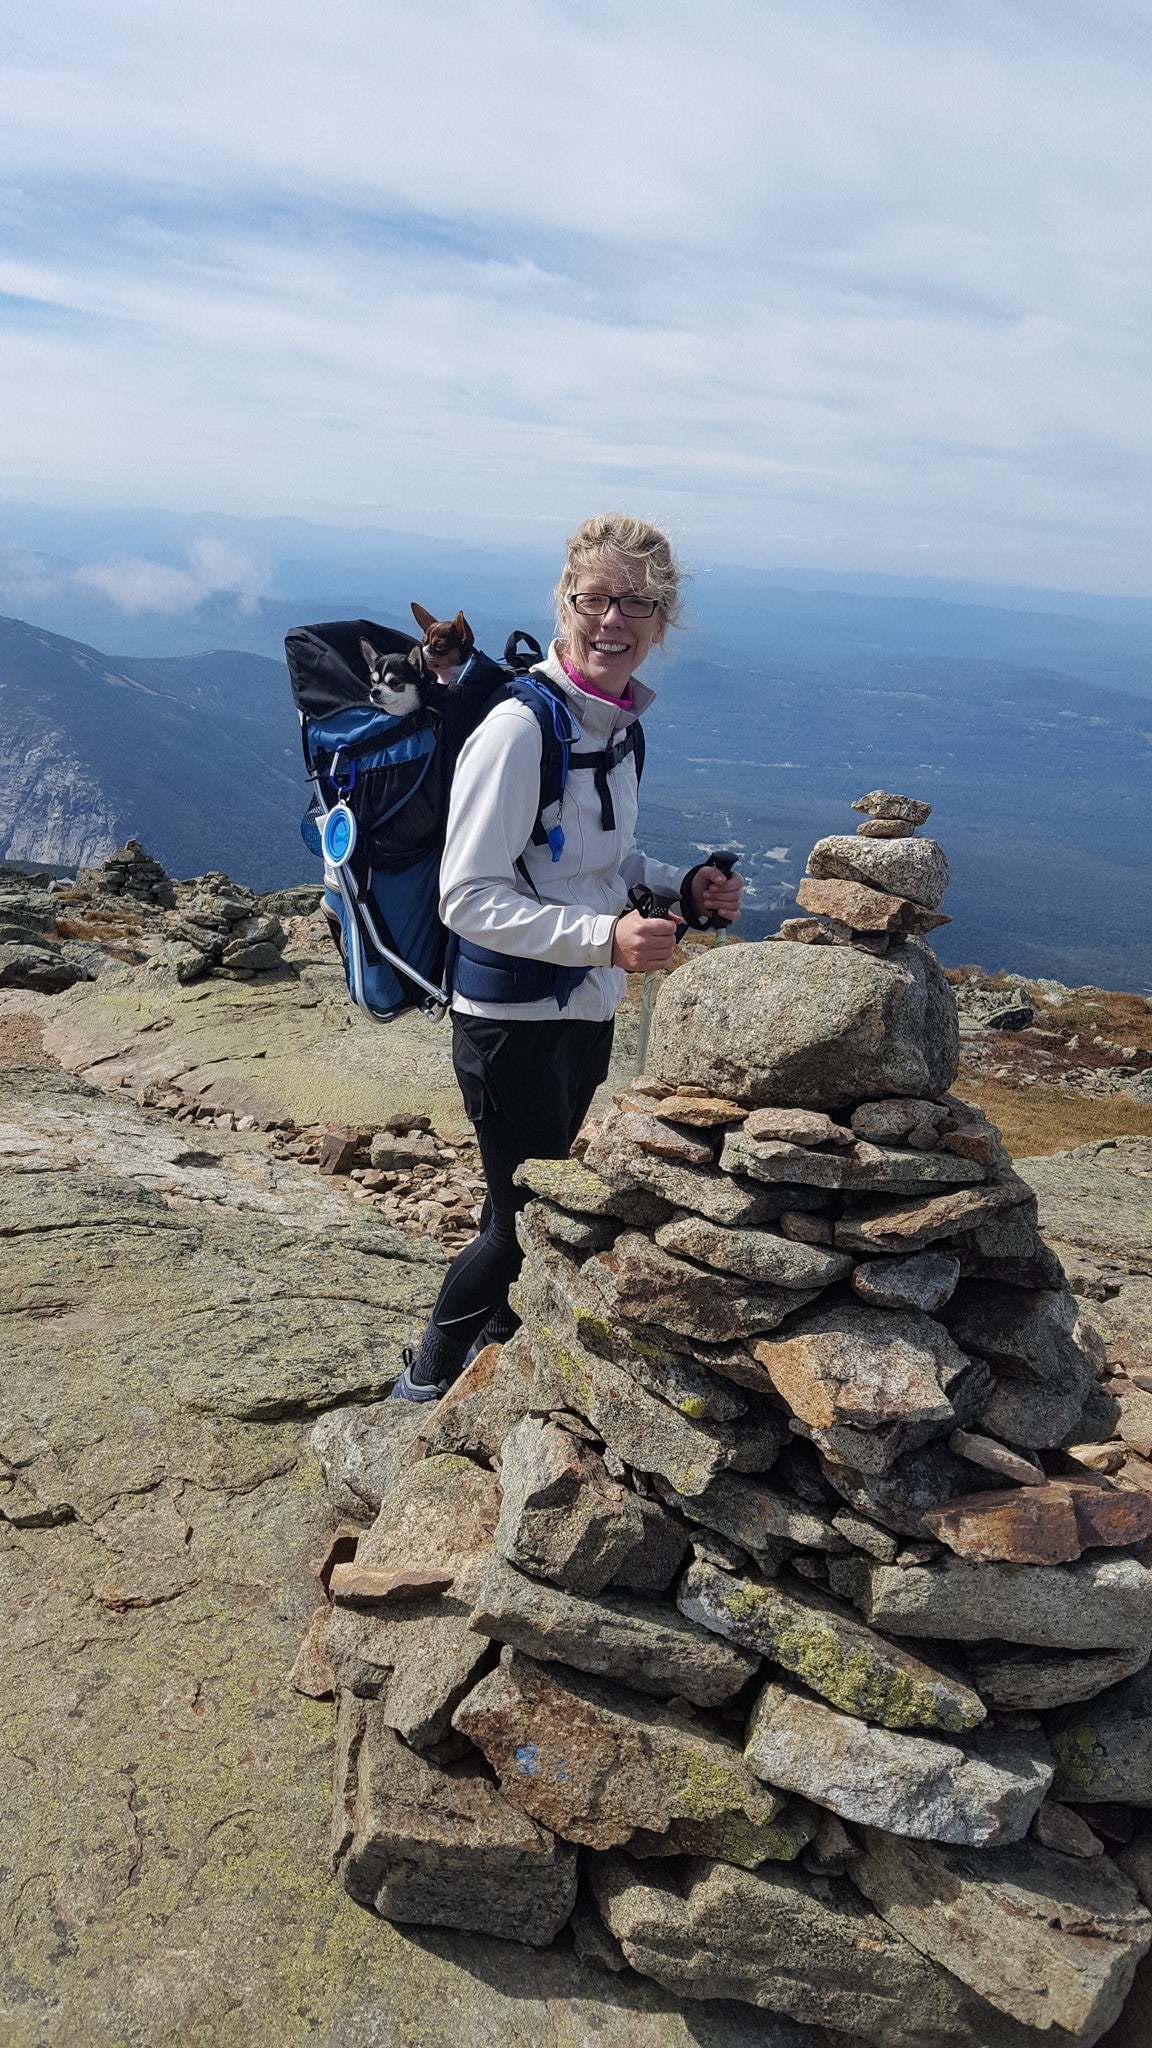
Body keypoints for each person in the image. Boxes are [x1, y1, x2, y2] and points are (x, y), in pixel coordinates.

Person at [390, 513, 743, 1402]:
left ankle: (494, 1364)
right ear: (564, 603)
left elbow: (599, 865)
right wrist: (607, 940)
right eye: (593, 598)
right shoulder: (519, 729)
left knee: (521, 1205)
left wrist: (681, 885)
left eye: (636, 602)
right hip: (509, 1024)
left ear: (661, 622)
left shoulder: (617, 727)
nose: (611, 619)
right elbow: (465, 897)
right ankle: (424, 1386)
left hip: (584, 1015)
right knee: (521, 1221)